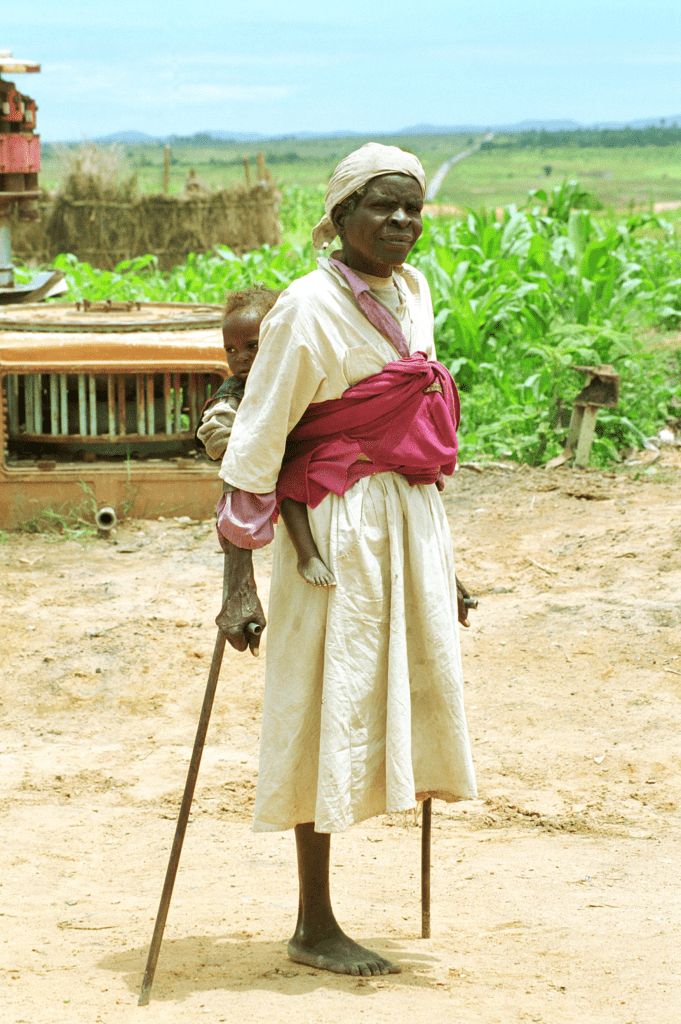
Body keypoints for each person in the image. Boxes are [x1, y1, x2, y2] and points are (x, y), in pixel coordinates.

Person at [214, 143, 477, 977]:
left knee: (400, 694)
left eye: (412, 209)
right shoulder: (304, 309)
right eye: (381, 208)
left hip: (408, 523)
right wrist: (237, 586)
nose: (400, 222)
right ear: (340, 217)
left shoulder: (414, 290)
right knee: (318, 703)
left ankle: (331, 916)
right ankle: (313, 923)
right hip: (330, 531)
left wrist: (447, 560)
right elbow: (254, 454)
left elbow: (410, 426)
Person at [196, 287, 336, 587]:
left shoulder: (295, 371)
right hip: (271, 469)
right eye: (230, 350)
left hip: (313, 460)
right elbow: (218, 430)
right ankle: (307, 555)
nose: (241, 359)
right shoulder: (236, 388)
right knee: (287, 479)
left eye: (252, 346)